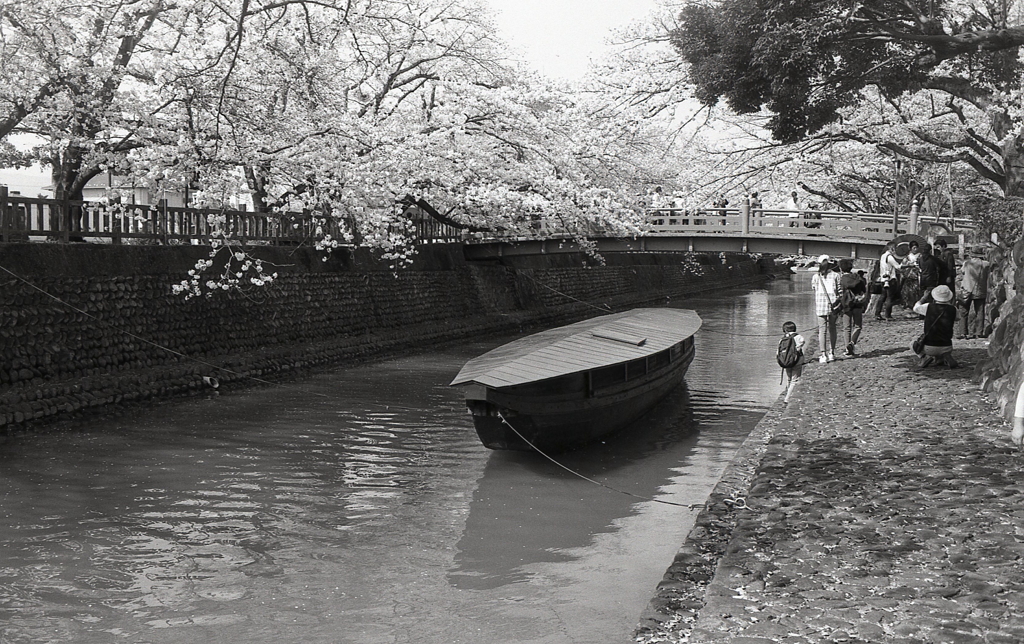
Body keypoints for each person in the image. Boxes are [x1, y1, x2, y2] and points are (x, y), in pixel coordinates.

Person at [912, 285, 960, 368]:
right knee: (942, 335)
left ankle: (924, 357)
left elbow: (915, 308)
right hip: (947, 346)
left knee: (912, 343)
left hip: (929, 346)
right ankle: (943, 357)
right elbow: (957, 318)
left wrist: (924, 297)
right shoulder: (953, 309)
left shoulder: (928, 307)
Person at [811, 254, 841, 363]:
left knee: (822, 330)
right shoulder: (836, 276)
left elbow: (814, 288)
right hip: (833, 306)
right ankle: (831, 353)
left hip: (820, 305)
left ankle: (823, 354)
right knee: (833, 329)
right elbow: (840, 291)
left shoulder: (816, 276)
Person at [957, 246, 990, 339]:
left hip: (967, 290)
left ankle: (963, 332)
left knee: (963, 311)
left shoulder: (967, 263)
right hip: (980, 290)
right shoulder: (986, 264)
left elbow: (962, 272)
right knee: (979, 311)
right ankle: (978, 332)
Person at [838, 259, 867, 356]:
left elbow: (838, 292)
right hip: (857, 304)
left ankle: (847, 348)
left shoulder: (842, 279)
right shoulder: (858, 278)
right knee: (858, 326)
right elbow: (864, 290)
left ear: (841, 269)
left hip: (846, 305)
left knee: (847, 328)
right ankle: (852, 343)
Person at [873, 242, 902, 320]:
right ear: (891, 248)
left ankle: (877, 313)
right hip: (890, 279)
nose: (895, 251)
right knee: (890, 297)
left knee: (882, 296)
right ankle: (888, 315)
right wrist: (907, 264)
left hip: (883, 279)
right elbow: (898, 267)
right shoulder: (890, 257)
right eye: (895, 248)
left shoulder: (883, 256)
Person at [779, 321, 805, 403]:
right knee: (795, 380)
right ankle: (787, 398)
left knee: (789, 379)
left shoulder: (783, 339)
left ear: (785, 330)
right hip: (797, 360)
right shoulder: (799, 337)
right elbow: (802, 342)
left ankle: (786, 394)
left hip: (786, 361)